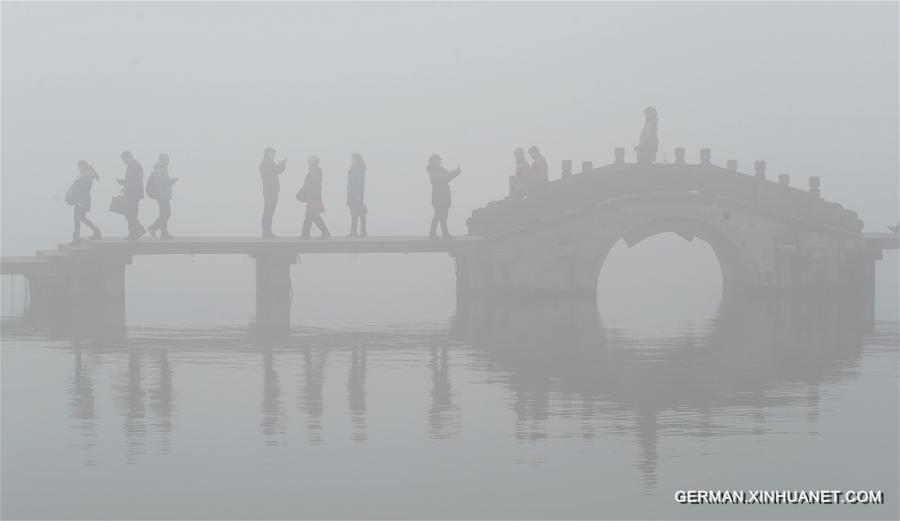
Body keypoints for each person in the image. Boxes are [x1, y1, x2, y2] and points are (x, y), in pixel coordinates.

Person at [66, 160, 101, 245]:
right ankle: (94, 232)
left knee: (78, 218)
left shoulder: (87, 177)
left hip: (82, 201)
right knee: (79, 218)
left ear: (83, 166)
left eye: (79, 166)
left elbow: (84, 190)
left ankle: (77, 238)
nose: (78, 168)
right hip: (81, 201)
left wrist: (79, 200)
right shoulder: (85, 176)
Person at [427, 154, 461, 239]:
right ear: (432, 162)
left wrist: (456, 171)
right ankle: (436, 234)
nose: (439, 162)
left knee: (442, 216)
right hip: (438, 198)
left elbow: (448, 177)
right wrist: (454, 172)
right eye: (437, 160)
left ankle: (441, 234)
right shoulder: (432, 171)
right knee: (439, 216)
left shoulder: (440, 169)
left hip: (444, 197)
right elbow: (442, 178)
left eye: (439, 161)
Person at [298, 156, 331, 239]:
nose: (308, 162)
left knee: (311, 216)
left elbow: (312, 185)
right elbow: (308, 184)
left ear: (314, 162)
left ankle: (306, 235)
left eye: (310, 160)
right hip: (312, 196)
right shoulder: (314, 170)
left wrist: (308, 195)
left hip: (313, 196)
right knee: (311, 216)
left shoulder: (315, 171)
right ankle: (308, 234)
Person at [146, 153, 178, 239]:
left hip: (162, 195)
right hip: (162, 195)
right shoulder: (160, 170)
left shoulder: (161, 169)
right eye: (166, 160)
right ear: (162, 160)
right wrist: (172, 181)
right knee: (166, 214)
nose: (168, 162)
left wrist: (169, 181)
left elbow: (163, 181)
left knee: (164, 214)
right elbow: (163, 183)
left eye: (168, 160)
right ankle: (153, 228)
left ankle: (164, 233)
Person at [117, 151, 146, 240]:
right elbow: (132, 180)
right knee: (130, 213)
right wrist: (125, 184)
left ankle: (135, 232)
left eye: (124, 160)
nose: (123, 162)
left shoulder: (134, 166)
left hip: (133, 194)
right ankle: (134, 233)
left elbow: (133, 181)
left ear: (128, 157)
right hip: (134, 193)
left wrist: (124, 182)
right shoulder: (135, 165)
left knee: (129, 213)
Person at [259, 147, 287, 238]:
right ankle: (266, 232)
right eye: (272, 153)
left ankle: (267, 231)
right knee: (268, 211)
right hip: (269, 191)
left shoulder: (269, 163)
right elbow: (276, 171)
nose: (274, 155)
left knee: (270, 211)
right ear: (267, 154)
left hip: (272, 190)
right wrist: (281, 164)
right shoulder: (265, 163)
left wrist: (282, 164)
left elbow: (278, 170)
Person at [346, 153, 368, 237]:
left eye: (353, 159)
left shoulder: (359, 169)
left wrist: (358, 194)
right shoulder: (355, 168)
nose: (352, 160)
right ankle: (356, 232)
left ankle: (360, 232)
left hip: (356, 193)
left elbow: (360, 182)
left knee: (358, 212)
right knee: (355, 212)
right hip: (353, 193)